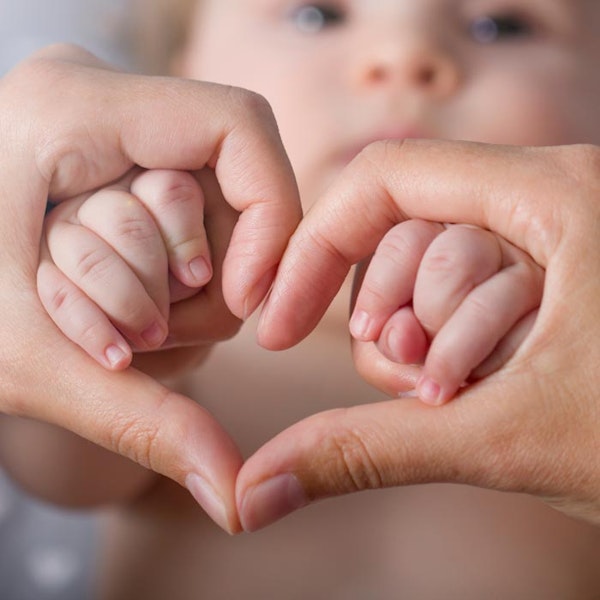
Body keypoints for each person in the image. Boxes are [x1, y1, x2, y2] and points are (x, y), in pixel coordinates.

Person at [1, 0, 599, 596]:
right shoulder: (192, 336)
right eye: (316, 15)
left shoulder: (574, 353)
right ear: (175, 84)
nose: (403, 57)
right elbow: (59, 473)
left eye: (502, 26)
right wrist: (117, 315)